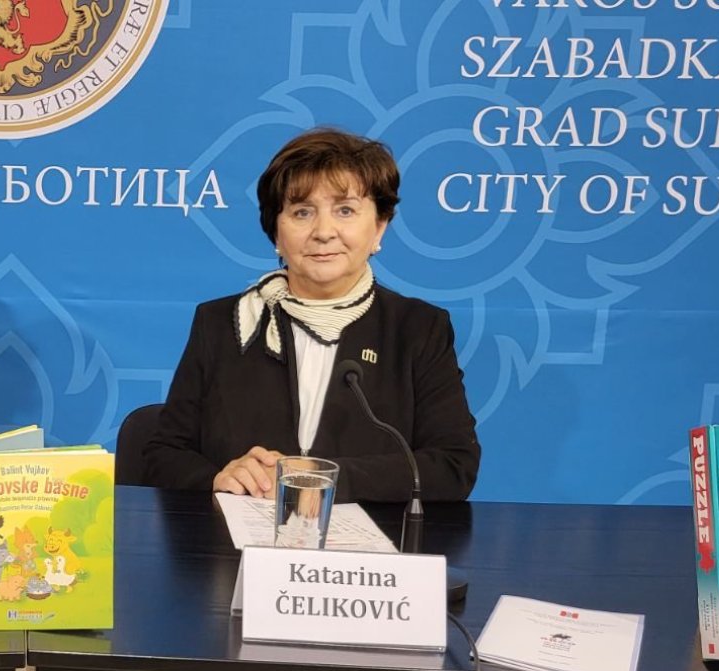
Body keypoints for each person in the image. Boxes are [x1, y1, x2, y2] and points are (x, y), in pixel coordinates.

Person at [143, 127, 479, 502]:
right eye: (302, 212)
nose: (323, 232)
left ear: (379, 227)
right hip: (234, 535)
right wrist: (218, 477)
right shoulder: (222, 323)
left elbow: (453, 466)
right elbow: (163, 455)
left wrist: (326, 479)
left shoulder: (417, 329)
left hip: (369, 539)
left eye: (345, 210)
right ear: (276, 232)